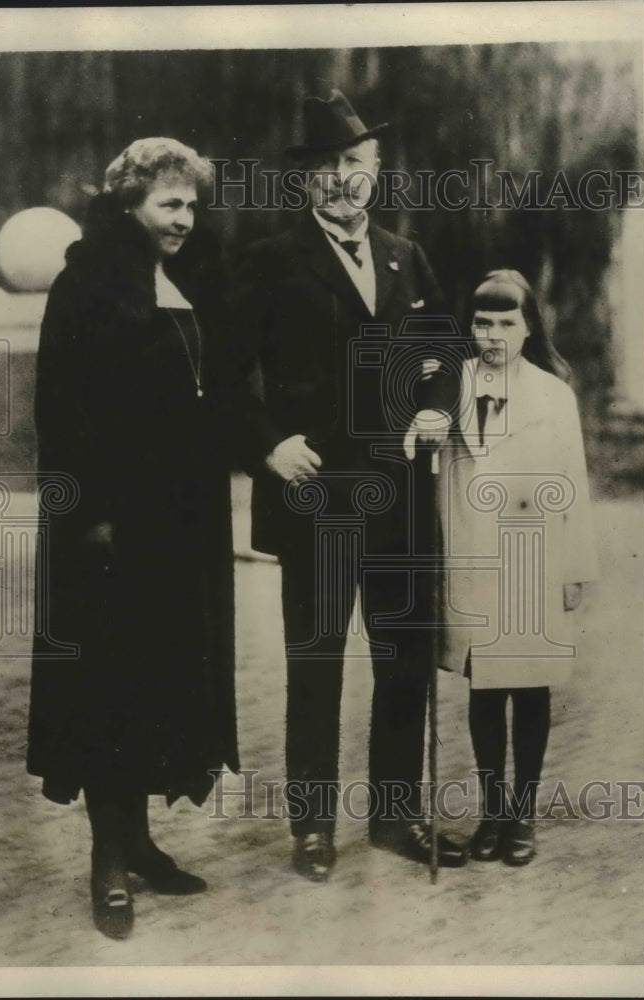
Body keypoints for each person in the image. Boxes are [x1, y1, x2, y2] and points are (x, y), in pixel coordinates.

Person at [236, 90, 470, 882]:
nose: (345, 179)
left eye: (357, 163)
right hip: (316, 498)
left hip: (400, 498)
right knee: (317, 663)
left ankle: (395, 816)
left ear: (375, 172)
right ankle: (311, 828)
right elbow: (226, 377)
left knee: (402, 660)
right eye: (330, 165)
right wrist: (266, 444)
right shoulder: (268, 261)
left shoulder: (408, 256)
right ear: (305, 178)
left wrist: (436, 410)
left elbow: (445, 355)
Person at [28, 137, 257, 939]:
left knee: (161, 683)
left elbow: (221, 389)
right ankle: (105, 864)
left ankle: (141, 844)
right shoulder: (86, 282)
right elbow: (58, 413)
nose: (185, 219)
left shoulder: (193, 278)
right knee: (107, 691)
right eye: (169, 204)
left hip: (181, 524)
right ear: (130, 204)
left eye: (192, 205)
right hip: (109, 526)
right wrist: (90, 516)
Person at [437, 269, 598, 865]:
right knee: (484, 692)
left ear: (529, 327)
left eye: (507, 322)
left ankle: (522, 817)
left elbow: (572, 485)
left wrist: (574, 568)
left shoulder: (554, 395)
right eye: (483, 322)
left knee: (529, 691)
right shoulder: (451, 386)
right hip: (472, 557)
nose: (493, 335)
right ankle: (492, 813)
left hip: (533, 558)